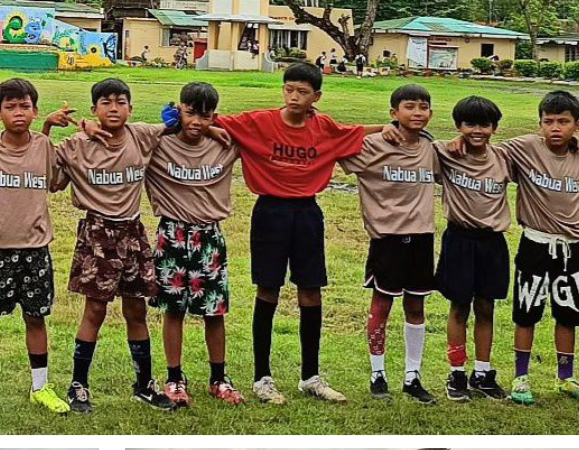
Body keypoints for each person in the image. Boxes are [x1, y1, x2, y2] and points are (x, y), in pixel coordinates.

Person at [215, 63, 367, 403]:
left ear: (316, 96)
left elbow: (356, 133)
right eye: (289, 89)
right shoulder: (259, 122)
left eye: (302, 92)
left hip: (307, 213)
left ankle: (311, 376)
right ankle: (261, 378)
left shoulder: (324, 127)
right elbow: (212, 120)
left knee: (311, 292)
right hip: (269, 212)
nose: (294, 97)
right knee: (267, 290)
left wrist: (396, 127)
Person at [0, 77, 75, 414]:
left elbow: (53, 179)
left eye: (25, 106)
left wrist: (50, 129)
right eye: (10, 107)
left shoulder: (44, 145)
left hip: (35, 249)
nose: (18, 113)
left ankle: (41, 387)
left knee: (36, 318)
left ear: (35, 111)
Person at [54, 78, 174, 412]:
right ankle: (79, 385)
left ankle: (145, 384)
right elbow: (51, 180)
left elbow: (179, 120)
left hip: (132, 231)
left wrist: (175, 115)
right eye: (105, 102)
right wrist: (73, 126)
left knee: (136, 309)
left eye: (121, 102)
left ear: (131, 109)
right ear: (94, 109)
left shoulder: (141, 135)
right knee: (95, 309)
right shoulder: (76, 145)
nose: (113, 108)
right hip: (98, 233)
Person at [146, 80, 243, 404]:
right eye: (189, 114)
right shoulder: (159, 144)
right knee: (173, 311)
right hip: (172, 234)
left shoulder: (226, 143)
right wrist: (166, 122)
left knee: (214, 312)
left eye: (205, 116)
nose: (196, 123)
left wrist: (219, 127)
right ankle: (174, 378)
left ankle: (219, 378)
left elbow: (258, 130)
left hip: (209, 237)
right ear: (178, 110)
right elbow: (127, 133)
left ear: (215, 116)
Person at [502, 89, 579, 405]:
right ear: (539, 124)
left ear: (578, 125)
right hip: (535, 243)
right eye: (548, 121)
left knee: (568, 316)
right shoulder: (524, 147)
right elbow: (487, 153)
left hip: (573, 248)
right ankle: (520, 377)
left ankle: (566, 377)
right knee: (526, 313)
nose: (555, 128)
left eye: (563, 121)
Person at [341, 84, 441, 398]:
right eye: (409, 107)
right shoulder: (372, 145)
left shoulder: (430, 148)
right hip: (387, 240)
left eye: (423, 107)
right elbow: (333, 142)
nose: (417, 113)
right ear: (393, 113)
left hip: (423, 237)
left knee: (416, 306)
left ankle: (413, 376)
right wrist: (375, 130)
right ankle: (377, 374)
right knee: (381, 305)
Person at [431, 96, 512, 398]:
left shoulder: (504, 158)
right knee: (459, 306)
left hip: (492, 242)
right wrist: (453, 140)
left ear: (494, 128)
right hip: (459, 239)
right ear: (458, 126)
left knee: (486, 306)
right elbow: (418, 140)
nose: (477, 130)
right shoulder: (446, 152)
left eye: (484, 125)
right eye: (469, 124)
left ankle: (482, 372)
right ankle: (456, 373)